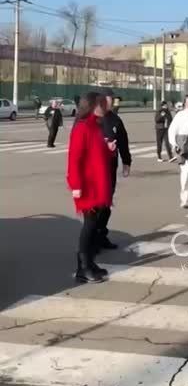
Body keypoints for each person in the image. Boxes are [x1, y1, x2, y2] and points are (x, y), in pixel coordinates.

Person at [67, 92, 116, 283]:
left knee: (94, 224)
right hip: (87, 185)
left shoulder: (96, 126)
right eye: (101, 104)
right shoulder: (82, 127)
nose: (104, 107)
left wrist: (108, 150)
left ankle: (89, 262)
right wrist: (76, 185)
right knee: (89, 225)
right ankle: (83, 267)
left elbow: (97, 153)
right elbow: (74, 159)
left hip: (98, 183)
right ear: (91, 106)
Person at [97, 88, 132, 250]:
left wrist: (126, 162)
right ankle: (92, 238)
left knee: (107, 203)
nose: (113, 101)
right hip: (95, 169)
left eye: (113, 99)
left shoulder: (115, 119)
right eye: (110, 98)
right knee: (97, 205)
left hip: (110, 167)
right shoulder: (92, 119)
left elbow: (123, 142)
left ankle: (101, 235)